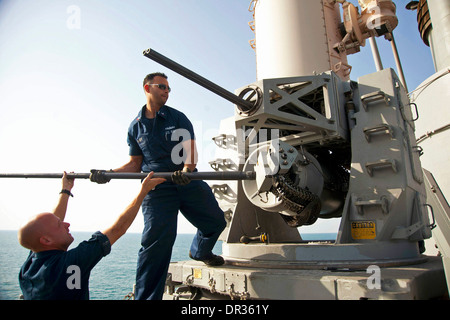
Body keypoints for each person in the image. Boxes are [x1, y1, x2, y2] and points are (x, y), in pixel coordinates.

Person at [90, 72, 227, 300]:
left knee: (215, 221)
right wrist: (108, 173)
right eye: (162, 86)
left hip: (186, 181)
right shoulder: (135, 127)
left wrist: (185, 171)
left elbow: (190, 152)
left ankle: (200, 250)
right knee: (156, 245)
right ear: (147, 88)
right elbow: (135, 164)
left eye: (168, 88)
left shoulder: (178, 118)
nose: (166, 91)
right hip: (157, 189)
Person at [18, 171, 165, 300]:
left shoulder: (29, 268)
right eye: (59, 225)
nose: (66, 224)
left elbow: (48, 226)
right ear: (46, 240)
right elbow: (117, 229)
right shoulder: (71, 262)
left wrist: (65, 190)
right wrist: (143, 191)